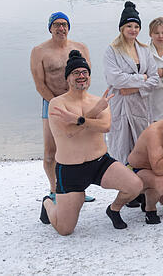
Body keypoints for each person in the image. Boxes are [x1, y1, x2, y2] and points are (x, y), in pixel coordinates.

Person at [40, 50, 143, 235]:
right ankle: (48, 202)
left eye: (84, 73)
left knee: (135, 185)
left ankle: (114, 209)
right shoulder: (57, 104)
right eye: (75, 73)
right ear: (67, 78)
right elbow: (69, 133)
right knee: (65, 229)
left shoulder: (100, 100)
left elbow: (105, 126)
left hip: (99, 163)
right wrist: (91, 115)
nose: (81, 76)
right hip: (70, 169)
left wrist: (79, 119)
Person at [30, 12, 94, 202]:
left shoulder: (80, 47)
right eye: (57, 25)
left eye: (65, 25)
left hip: (76, 102)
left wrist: (78, 103)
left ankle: (77, 189)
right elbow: (39, 84)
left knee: (78, 148)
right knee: (51, 152)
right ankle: (54, 189)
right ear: (50, 28)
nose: (61, 28)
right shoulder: (39, 51)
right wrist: (57, 105)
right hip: (50, 102)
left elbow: (86, 77)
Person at [104, 1, 160, 162]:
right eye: (129, 26)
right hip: (120, 105)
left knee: (141, 146)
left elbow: (154, 78)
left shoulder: (144, 50)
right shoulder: (112, 50)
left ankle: (140, 183)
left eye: (136, 26)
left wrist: (134, 88)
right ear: (122, 28)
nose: (133, 30)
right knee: (121, 148)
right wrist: (141, 78)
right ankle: (123, 183)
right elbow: (114, 78)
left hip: (140, 104)